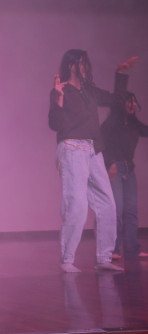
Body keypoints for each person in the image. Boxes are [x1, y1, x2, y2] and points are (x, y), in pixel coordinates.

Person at [49, 50, 137, 273]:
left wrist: (120, 74)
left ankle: (104, 258)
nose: (86, 67)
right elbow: (55, 125)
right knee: (77, 206)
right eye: (82, 63)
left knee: (108, 204)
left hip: (93, 150)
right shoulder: (62, 90)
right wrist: (57, 99)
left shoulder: (89, 90)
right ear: (71, 65)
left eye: (86, 63)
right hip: (72, 149)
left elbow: (116, 100)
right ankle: (67, 259)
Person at [101, 91, 148, 260]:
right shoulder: (111, 122)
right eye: (130, 101)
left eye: (135, 102)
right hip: (115, 167)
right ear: (122, 104)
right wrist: (111, 163)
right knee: (117, 209)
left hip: (129, 168)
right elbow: (101, 143)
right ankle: (112, 249)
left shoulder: (134, 123)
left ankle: (132, 249)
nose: (134, 104)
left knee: (131, 210)